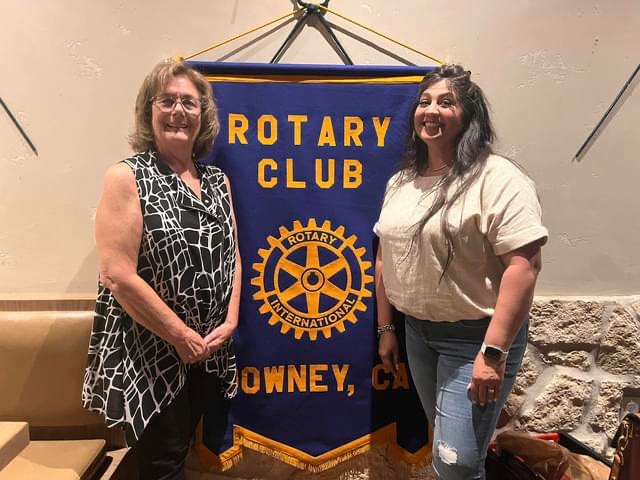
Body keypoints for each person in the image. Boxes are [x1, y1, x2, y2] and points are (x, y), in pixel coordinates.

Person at [374, 64, 547, 480]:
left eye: (446, 102)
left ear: (469, 115)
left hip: (475, 339)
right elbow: (384, 256)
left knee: (459, 462)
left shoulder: (497, 178)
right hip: (417, 333)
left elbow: (524, 265)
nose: (431, 110)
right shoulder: (401, 182)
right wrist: (387, 328)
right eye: (425, 101)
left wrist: (493, 353)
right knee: (445, 446)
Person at [82, 59, 241, 479]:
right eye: (166, 100)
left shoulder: (218, 181)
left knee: (180, 450)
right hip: (151, 351)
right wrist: (180, 335)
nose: (178, 111)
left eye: (189, 102)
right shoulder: (126, 177)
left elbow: (234, 255)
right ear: (148, 110)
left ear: (203, 114)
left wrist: (230, 321)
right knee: (162, 463)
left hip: (208, 349)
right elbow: (116, 275)